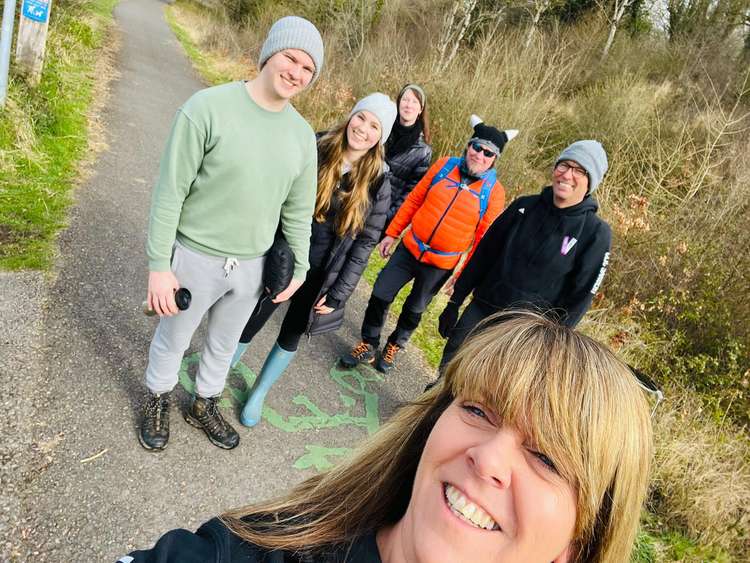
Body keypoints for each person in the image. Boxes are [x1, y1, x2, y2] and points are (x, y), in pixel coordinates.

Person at [118, 310, 654, 563]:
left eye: (546, 457)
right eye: (478, 410)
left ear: (579, 544)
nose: (488, 457)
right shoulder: (265, 550)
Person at [138, 16, 324, 452]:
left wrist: (300, 265)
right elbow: (170, 193)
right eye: (290, 58)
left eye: (308, 69)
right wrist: (158, 267)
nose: (296, 72)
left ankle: (202, 404)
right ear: (269, 53)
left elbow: (298, 212)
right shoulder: (207, 107)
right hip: (194, 256)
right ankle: (158, 397)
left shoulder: (301, 138)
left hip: (252, 266)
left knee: (223, 346)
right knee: (174, 338)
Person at [230, 93, 395, 427]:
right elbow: (276, 193)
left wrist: (337, 296)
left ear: (381, 136)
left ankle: (260, 392)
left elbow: (364, 246)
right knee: (251, 319)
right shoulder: (316, 146)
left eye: (374, 125)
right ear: (351, 116)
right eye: (361, 117)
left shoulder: (379, 182)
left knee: (291, 334)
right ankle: (215, 379)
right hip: (285, 256)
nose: (363, 129)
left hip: (323, 273)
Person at [340, 115, 516, 373]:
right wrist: (392, 232)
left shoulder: (494, 192)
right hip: (410, 247)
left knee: (415, 309)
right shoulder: (445, 166)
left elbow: (482, 240)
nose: (480, 155)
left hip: (441, 263)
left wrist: (463, 275)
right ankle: (369, 342)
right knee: (380, 293)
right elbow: (414, 199)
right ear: (468, 146)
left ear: (495, 159)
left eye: (488, 153)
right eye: (476, 147)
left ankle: (395, 345)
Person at [437, 140, 612, 372]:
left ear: (591, 181)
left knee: (482, 390)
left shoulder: (595, 233)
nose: (567, 175)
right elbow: (485, 253)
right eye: (564, 165)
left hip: (522, 333)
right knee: (448, 371)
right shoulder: (524, 206)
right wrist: (455, 300)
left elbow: (580, 296)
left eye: (579, 170)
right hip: (482, 310)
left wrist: (553, 343)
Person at [382, 84, 432, 232]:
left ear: (420, 110)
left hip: (382, 214)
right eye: (405, 100)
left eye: (414, 102)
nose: (409, 105)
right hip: (356, 201)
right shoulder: (380, 130)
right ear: (398, 103)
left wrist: (387, 216)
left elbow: (411, 192)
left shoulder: (423, 151)